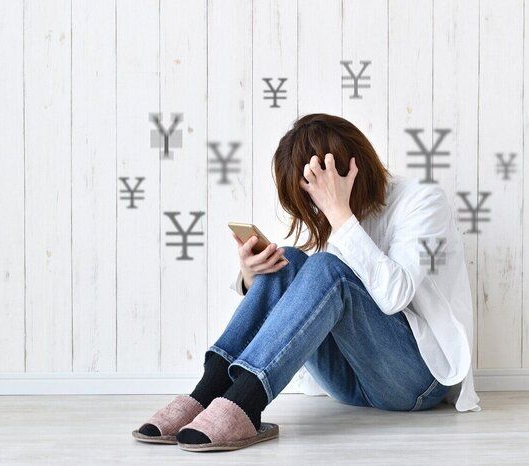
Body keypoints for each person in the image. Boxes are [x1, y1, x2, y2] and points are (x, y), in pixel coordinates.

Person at [132, 113, 480, 452]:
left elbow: (394, 296)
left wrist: (339, 212)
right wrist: (252, 277)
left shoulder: (422, 200)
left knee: (327, 267)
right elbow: (309, 300)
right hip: (351, 380)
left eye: (317, 194)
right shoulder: (340, 216)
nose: (316, 209)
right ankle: (206, 393)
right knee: (288, 260)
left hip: (417, 381)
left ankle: (246, 403)